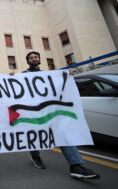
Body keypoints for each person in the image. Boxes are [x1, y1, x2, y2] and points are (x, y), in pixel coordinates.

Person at [10, 51, 100, 179]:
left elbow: (60, 85)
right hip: (33, 112)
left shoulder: (49, 75)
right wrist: (12, 76)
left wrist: (67, 75)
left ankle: (76, 166)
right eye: (31, 58)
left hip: (50, 111)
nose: (34, 59)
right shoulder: (23, 75)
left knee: (63, 133)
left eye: (36, 57)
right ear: (28, 61)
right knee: (35, 135)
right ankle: (35, 155)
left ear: (39, 59)